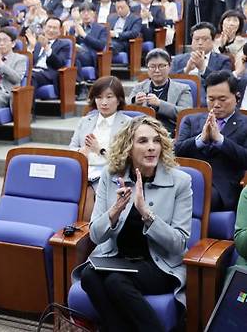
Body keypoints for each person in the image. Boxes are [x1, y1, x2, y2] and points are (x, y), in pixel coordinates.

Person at [77, 116, 192, 332]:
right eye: (143, 141)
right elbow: (94, 235)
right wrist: (115, 210)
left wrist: (146, 214)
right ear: (128, 147)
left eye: (156, 141)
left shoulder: (180, 182)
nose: (151, 148)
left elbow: (179, 244)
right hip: (117, 258)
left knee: (115, 282)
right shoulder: (110, 176)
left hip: (159, 265)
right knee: (89, 276)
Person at [175, 70, 247, 211]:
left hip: (222, 189)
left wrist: (220, 140)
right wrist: (201, 140)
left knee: (191, 197)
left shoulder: (245, 124)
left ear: (237, 98)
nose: (216, 104)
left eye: (222, 99)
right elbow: (176, 152)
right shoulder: (191, 120)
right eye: (211, 99)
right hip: (187, 180)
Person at [69, 76, 131, 220]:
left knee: (87, 191)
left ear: (119, 99)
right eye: (99, 97)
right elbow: (71, 148)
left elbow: (126, 160)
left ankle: (86, 234)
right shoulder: (85, 121)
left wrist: (100, 151)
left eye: (109, 97)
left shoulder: (128, 124)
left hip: (110, 173)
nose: (104, 102)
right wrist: (80, 153)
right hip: (83, 170)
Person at [129, 49, 193, 135]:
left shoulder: (183, 88)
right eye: (152, 66)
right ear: (147, 68)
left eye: (161, 66)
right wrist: (135, 102)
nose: (157, 70)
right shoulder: (139, 87)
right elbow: (125, 109)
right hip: (142, 131)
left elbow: (186, 113)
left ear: (169, 66)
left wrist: (159, 104)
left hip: (170, 132)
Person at [171, 22, 231, 95]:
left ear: (213, 41)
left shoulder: (223, 60)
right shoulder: (178, 60)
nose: (200, 43)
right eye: (196, 39)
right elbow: (170, 82)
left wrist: (203, 69)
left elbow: (226, 84)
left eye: (205, 39)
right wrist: (186, 70)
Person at [66, 2, 107, 87]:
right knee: (73, 58)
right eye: (83, 12)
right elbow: (69, 45)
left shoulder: (101, 29)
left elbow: (101, 45)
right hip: (77, 55)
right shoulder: (74, 28)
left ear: (94, 13)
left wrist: (84, 35)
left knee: (72, 57)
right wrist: (76, 36)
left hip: (90, 56)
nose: (86, 14)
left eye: (88, 12)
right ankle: (80, 85)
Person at [31, 17, 71, 93]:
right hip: (34, 70)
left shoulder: (64, 45)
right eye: (49, 27)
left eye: (54, 28)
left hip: (48, 74)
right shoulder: (38, 44)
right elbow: (32, 61)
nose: (51, 30)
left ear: (59, 31)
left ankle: (28, 105)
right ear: (44, 28)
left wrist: (47, 48)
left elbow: (60, 64)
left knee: (31, 77)